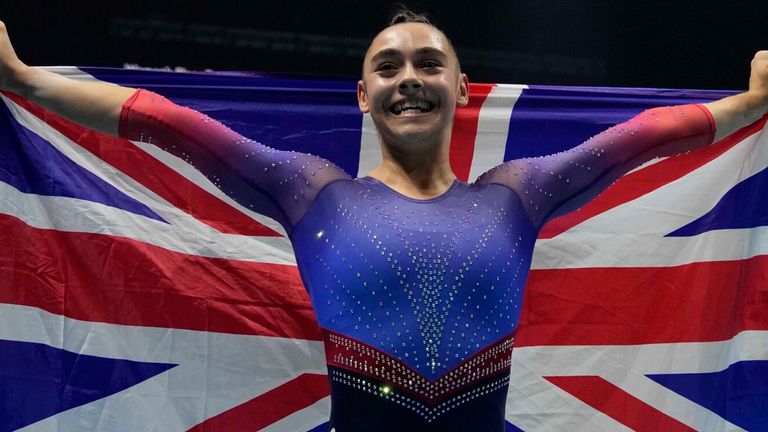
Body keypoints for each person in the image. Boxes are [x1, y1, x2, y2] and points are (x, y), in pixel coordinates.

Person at [1, 9, 767, 432]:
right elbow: (165, 121)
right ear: (361, 94)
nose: (410, 79)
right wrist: (23, 81)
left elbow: (641, 139)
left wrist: (752, 103)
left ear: (462, 88)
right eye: (389, 66)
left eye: (429, 64)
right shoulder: (310, 191)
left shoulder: (518, 193)